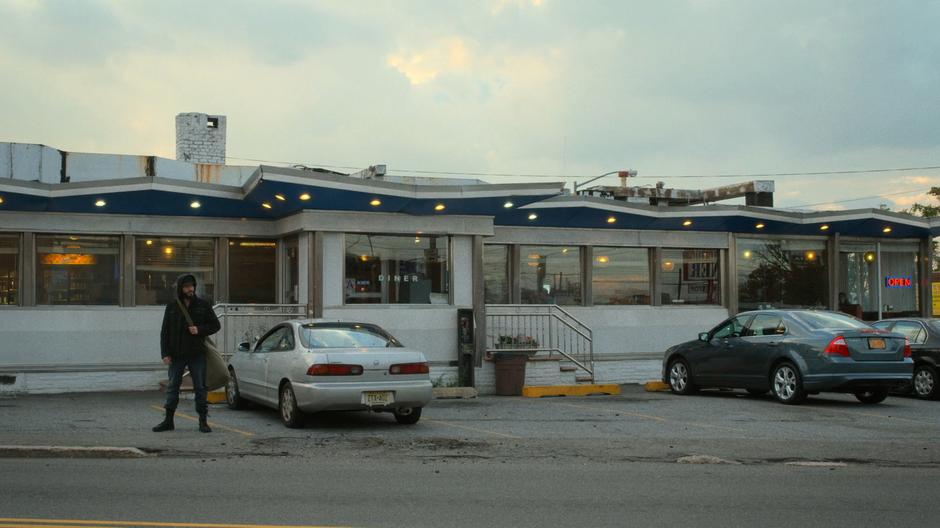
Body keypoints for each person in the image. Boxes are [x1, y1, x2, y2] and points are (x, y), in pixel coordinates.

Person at [152, 274, 221, 433]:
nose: (190, 289)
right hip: (176, 354)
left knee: (200, 387)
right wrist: (165, 353)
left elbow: (215, 325)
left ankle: (203, 421)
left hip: (196, 353)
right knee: (173, 387)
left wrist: (199, 329)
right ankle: (168, 420)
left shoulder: (203, 305)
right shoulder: (172, 306)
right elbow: (165, 332)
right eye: (187, 286)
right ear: (180, 288)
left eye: (192, 286)